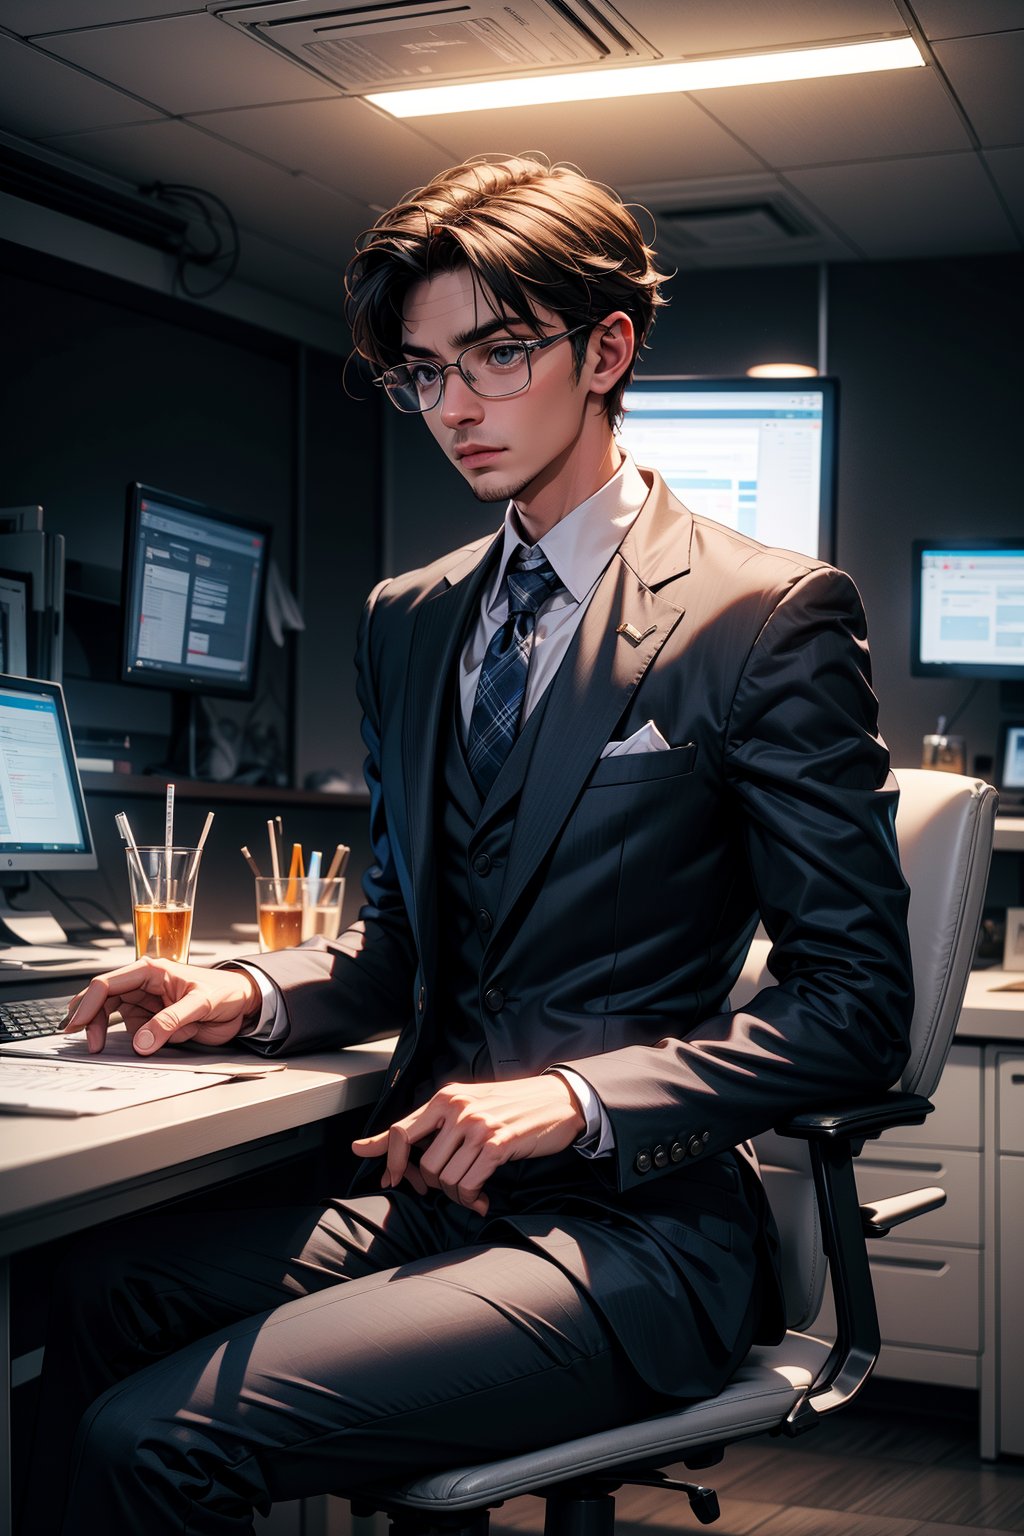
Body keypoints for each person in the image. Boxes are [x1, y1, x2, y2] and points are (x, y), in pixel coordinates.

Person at [24, 155, 914, 1535]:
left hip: (633, 1225)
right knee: (83, 1294)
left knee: (153, 1441)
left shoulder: (765, 615)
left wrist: (577, 1095)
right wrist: (248, 992)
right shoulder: (409, 616)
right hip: (428, 1197)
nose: (454, 408)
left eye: (496, 357)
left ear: (606, 347)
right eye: (422, 373)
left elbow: (856, 1012)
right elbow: (396, 953)